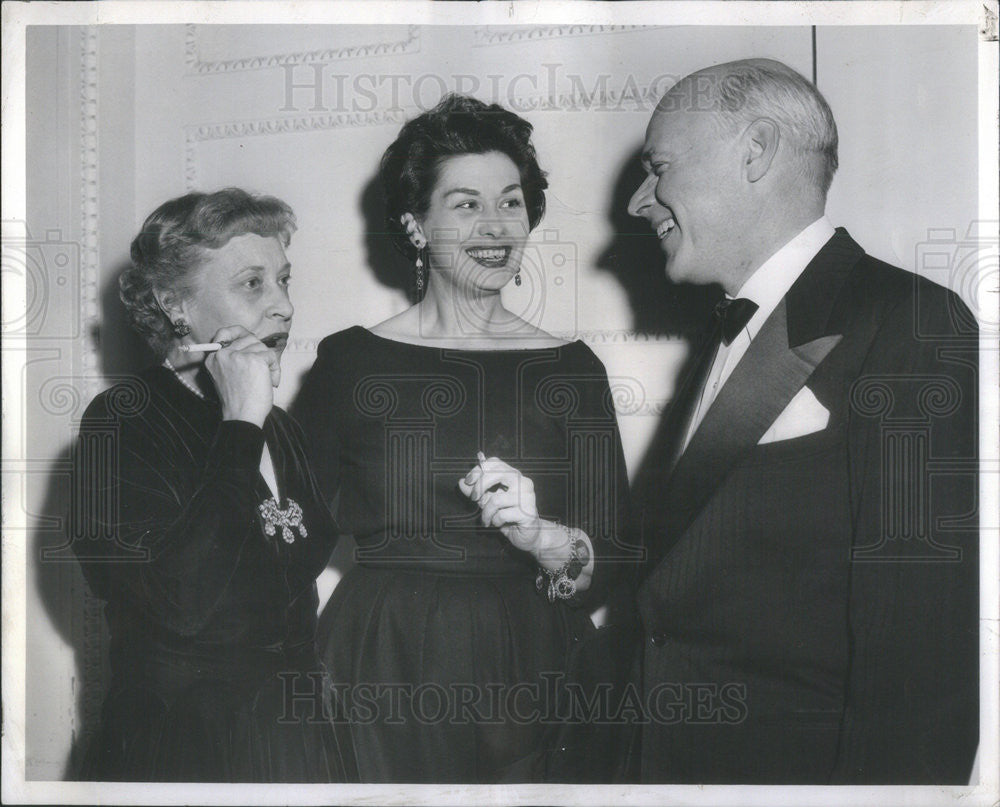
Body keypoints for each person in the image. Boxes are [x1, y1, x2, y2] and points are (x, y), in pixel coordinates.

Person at [625, 58, 979, 784]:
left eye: (659, 167)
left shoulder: (907, 322)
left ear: (754, 151)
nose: (640, 201)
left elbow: (921, 659)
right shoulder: (723, 340)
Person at [293, 94, 635, 783]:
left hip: (536, 660)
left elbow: (615, 557)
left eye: (511, 202)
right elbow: (288, 534)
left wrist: (542, 537)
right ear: (415, 224)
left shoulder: (571, 368)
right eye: (466, 203)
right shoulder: (349, 362)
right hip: (383, 660)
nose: (496, 225)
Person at [69, 189, 357, 782]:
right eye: (253, 284)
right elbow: (184, 599)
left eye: (283, 280)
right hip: (184, 745)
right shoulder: (122, 419)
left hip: (297, 743)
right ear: (175, 306)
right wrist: (241, 427)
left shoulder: (281, 427)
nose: (282, 307)